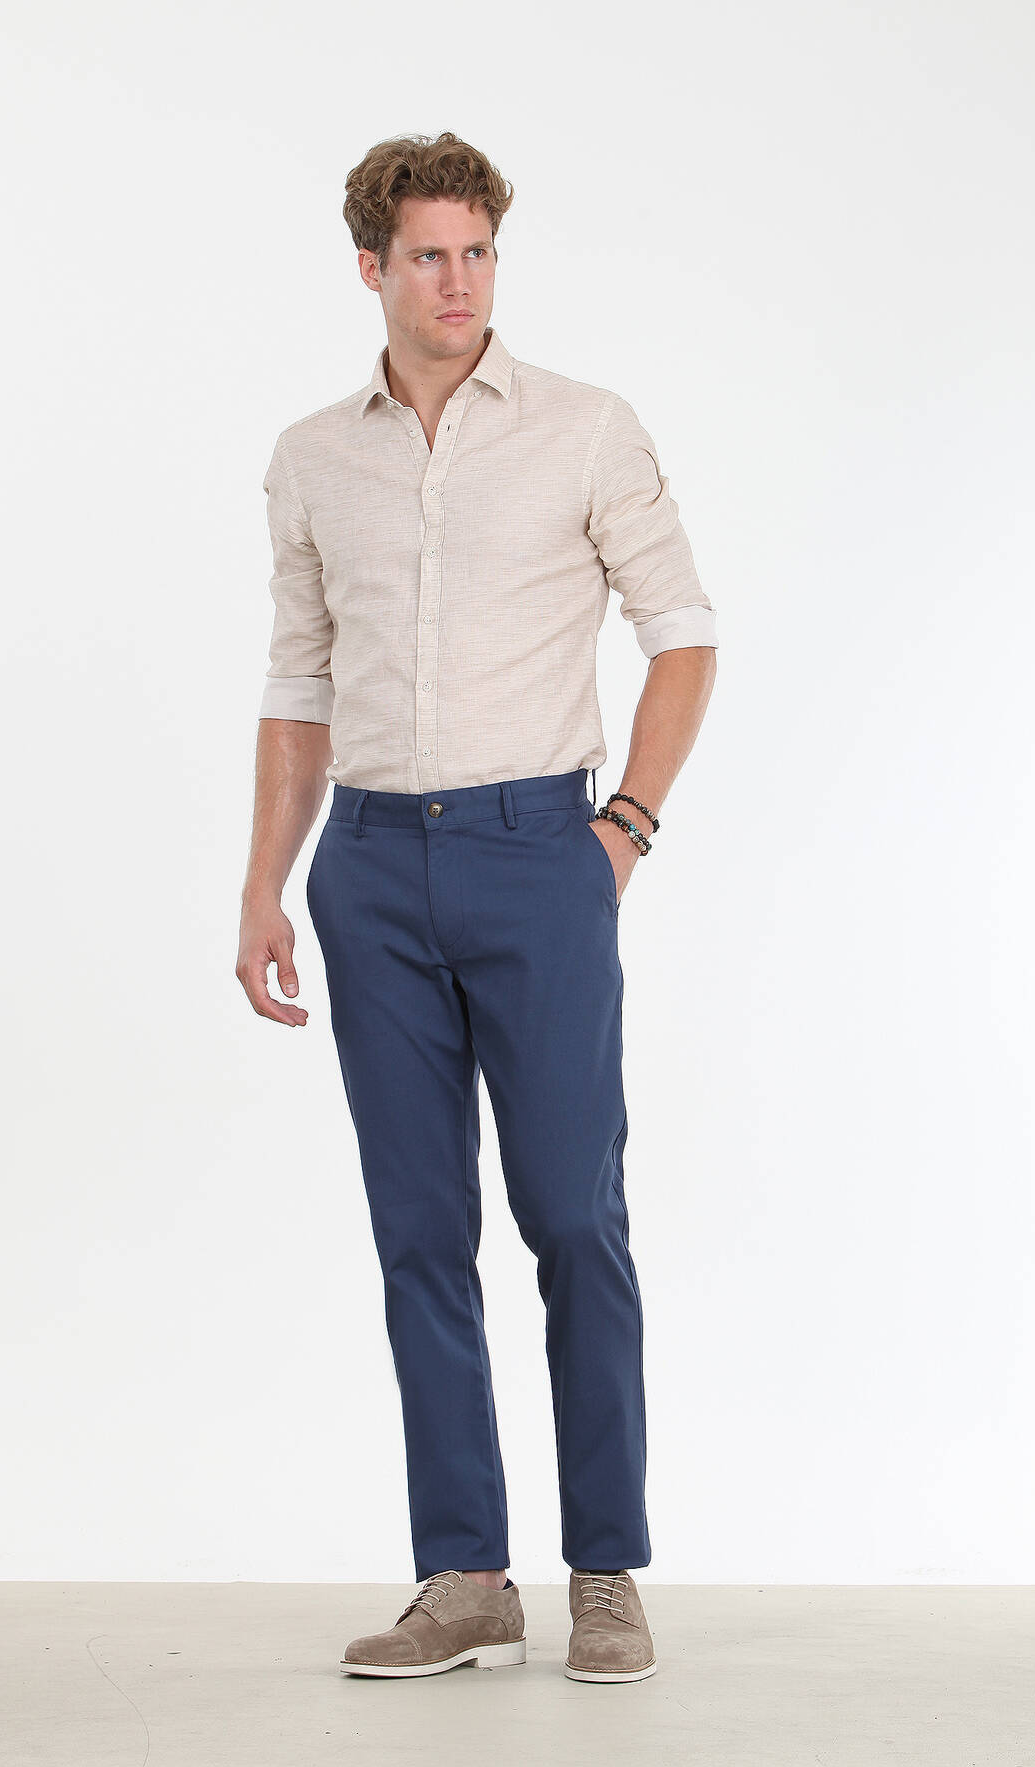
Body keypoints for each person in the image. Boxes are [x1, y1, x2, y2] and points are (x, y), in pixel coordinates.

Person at [236, 132, 717, 1683]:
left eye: (478, 253)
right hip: (370, 864)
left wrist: (624, 828)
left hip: (538, 853)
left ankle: (605, 1574)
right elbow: (298, 686)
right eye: (429, 256)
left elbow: (682, 633)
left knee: (574, 1214)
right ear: (370, 267)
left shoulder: (583, 428)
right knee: (418, 1231)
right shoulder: (314, 457)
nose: (459, 282)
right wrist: (264, 886)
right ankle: (462, 1576)